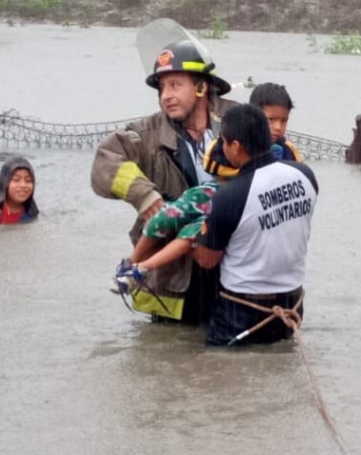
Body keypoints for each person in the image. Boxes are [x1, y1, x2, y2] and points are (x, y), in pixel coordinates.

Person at [92, 35, 236, 324]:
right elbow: (104, 163)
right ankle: (131, 270)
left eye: (175, 85)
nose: (165, 95)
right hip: (173, 282)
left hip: (232, 270)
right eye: (161, 87)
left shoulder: (237, 121)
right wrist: (145, 196)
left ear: (200, 86)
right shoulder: (146, 134)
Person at [192, 104, 319, 347]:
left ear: (236, 146)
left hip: (241, 312)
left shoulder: (230, 196)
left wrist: (189, 236)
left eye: (224, 142)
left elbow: (207, 260)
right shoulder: (306, 175)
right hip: (292, 305)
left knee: (219, 372)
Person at [111, 136, 240, 317]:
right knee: (162, 219)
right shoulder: (208, 184)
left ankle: (140, 269)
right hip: (208, 193)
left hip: (224, 206)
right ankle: (131, 263)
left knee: (190, 236)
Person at [249, 82, 303, 162]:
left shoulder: (290, 152)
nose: (278, 127)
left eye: (284, 120)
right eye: (270, 119)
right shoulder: (236, 149)